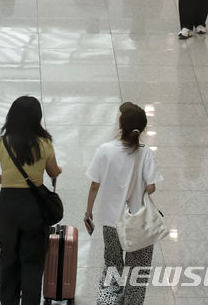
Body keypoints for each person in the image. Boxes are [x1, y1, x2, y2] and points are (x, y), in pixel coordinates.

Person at [0, 95, 62, 305]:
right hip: (34, 206)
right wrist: (58, 170)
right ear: (37, 118)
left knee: (8, 257)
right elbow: (53, 171)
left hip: (8, 205)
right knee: (32, 261)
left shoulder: (2, 143)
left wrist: (1, 179)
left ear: (11, 116)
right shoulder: (44, 143)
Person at [85, 102, 163, 305]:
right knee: (137, 271)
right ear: (142, 129)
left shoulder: (104, 150)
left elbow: (94, 185)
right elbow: (152, 187)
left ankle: (108, 302)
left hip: (111, 221)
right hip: (139, 221)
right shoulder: (145, 153)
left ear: (121, 125)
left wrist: (89, 213)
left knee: (112, 266)